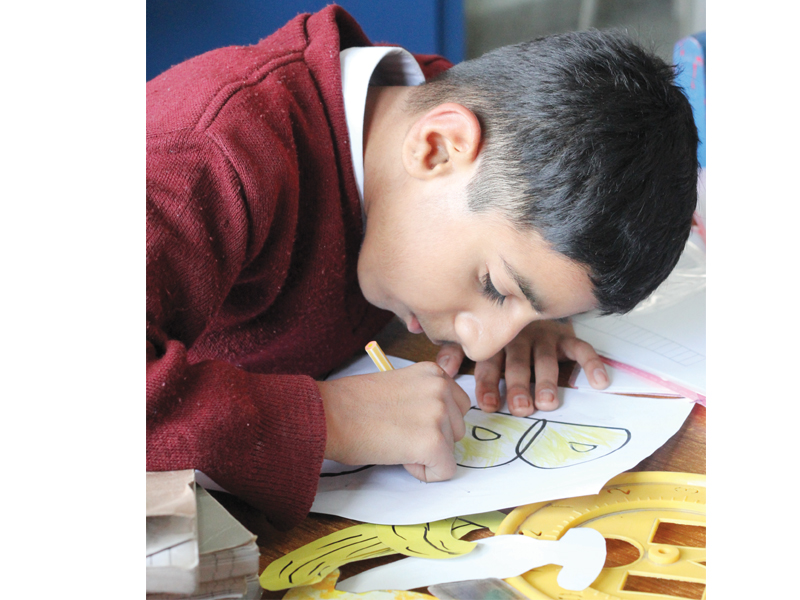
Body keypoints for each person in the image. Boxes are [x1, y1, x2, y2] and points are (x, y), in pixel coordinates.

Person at [146, 5, 698, 530]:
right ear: (437, 148)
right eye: (495, 287)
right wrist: (331, 420)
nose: (483, 348)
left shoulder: (450, 120)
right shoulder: (210, 150)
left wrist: (541, 309)